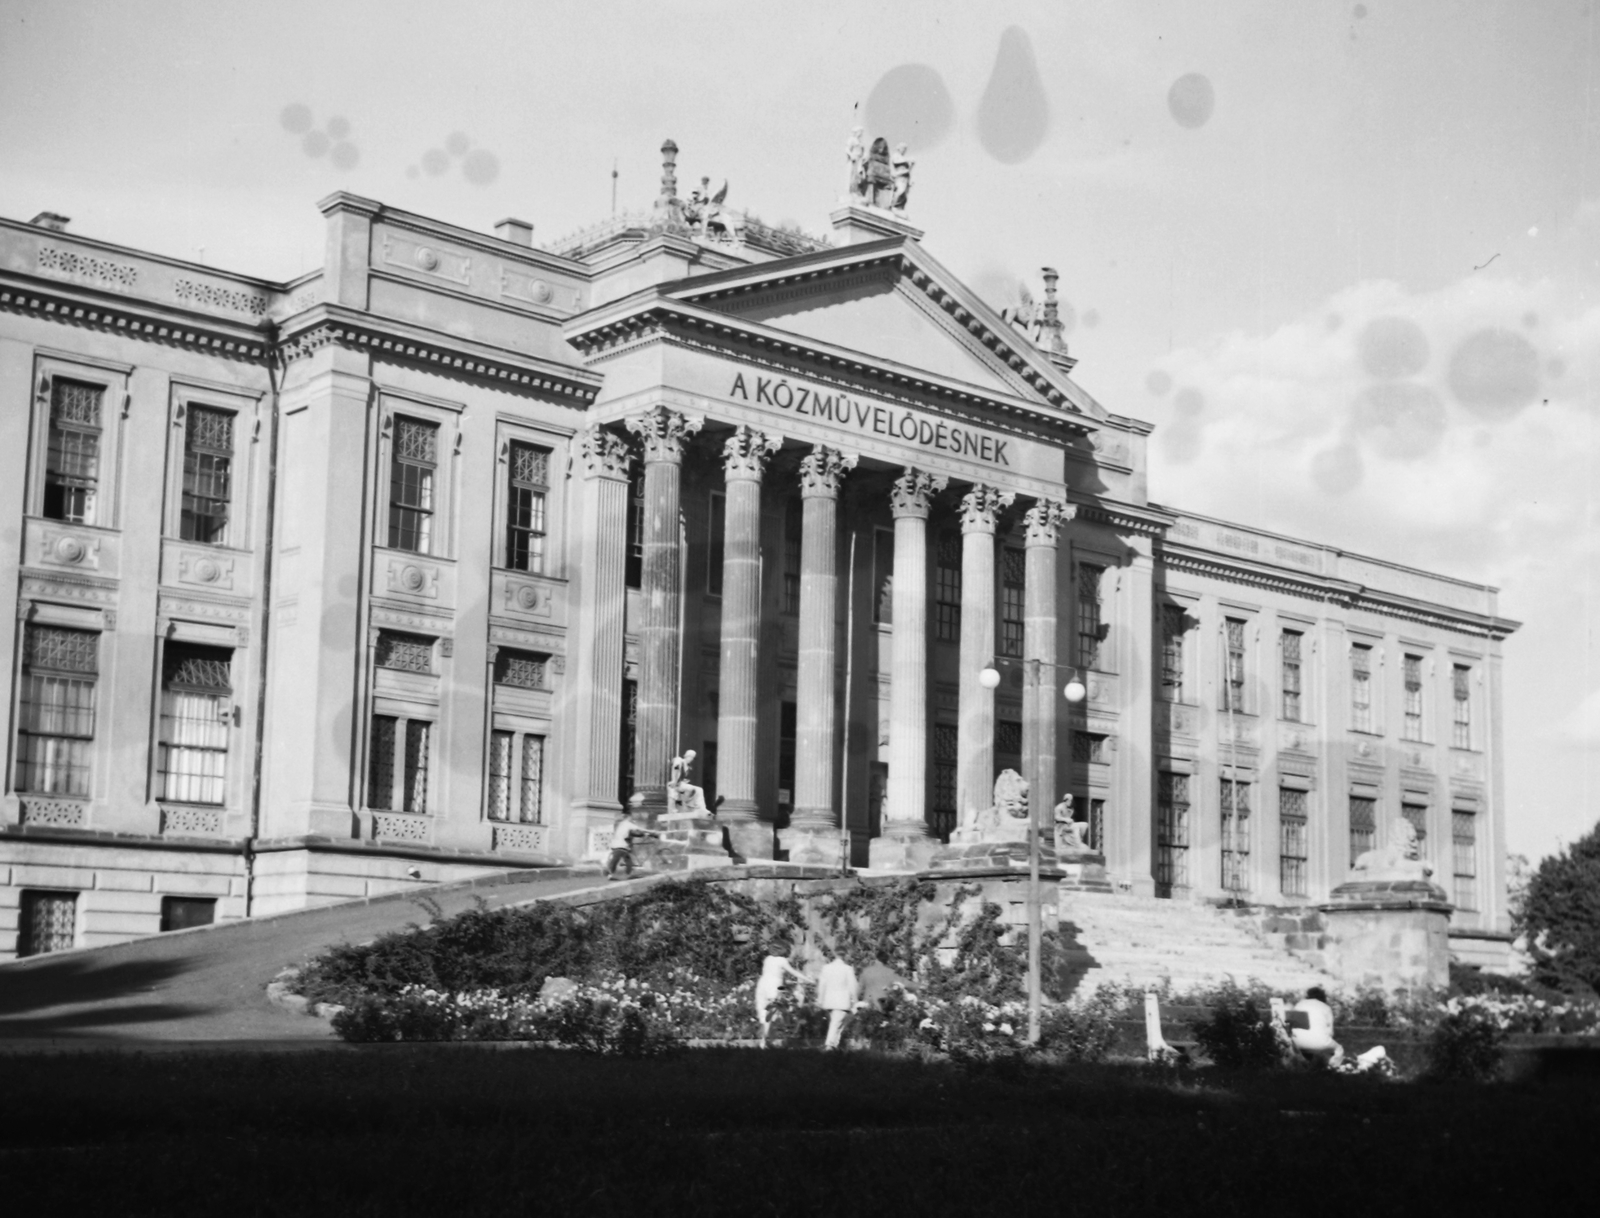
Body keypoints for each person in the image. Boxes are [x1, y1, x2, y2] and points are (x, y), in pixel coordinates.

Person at [754, 943, 810, 1047]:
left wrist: (790, 982)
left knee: (765, 1013)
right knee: (774, 1012)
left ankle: (767, 1039)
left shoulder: (768, 959)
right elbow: (793, 972)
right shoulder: (782, 960)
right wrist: (808, 980)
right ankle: (765, 1039)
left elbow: (776, 975)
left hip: (762, 985)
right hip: (773, 988)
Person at [1289, 986, 1345, 1067]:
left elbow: (1293, 1025)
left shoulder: (1299, 1004)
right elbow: (1330, 1033)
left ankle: (1307, 1065)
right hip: (1319, 1043)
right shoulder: (1326, 1007)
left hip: (1296, 1043)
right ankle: (1333, 1067)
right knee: (1339, 1049)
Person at [816, 950, 860, 1051]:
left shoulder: (826, 968)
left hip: (829, 1000)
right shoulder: (847, 969)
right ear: (845, 957)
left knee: (838, 1023)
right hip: (842, 1000)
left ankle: (833, 1046)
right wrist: (856, 999)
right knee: (836, 1023)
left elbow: (822, 984)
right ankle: (829, 1045)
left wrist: (820, 999)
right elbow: (852, 985)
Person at [603, 804, 658, 880]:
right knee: (617, 861)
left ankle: (628, 874)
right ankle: (613, 874)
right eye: (631, 817)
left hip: (619, 845)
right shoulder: (627, 824)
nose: (632, 819)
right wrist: (651, 831)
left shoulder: (621, 824)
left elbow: (634, 833)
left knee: (626, 860)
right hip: (621, 846)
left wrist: (644, 834)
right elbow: (639, 829)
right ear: (628, 817)